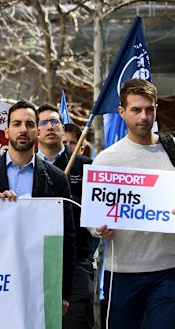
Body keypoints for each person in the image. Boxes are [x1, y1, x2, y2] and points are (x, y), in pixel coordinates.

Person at [0, 101, 76, 316]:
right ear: (6, 131)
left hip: (39, 278)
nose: (23, 130)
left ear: (37, 131)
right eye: (17, 124)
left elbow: (67, 238)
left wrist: (63, 293)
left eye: (30, 124)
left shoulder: (57, 178)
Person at [90, 79, 175, 328]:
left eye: (149, 109)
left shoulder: (172, 152)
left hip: (168, 270)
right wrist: (98, 228)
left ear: (156, 109)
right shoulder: (107, 160)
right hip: (122, 274)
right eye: (136, 110)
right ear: (122, 112)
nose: (144, 116)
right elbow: (94, 216)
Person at [37, 104, 95, 329]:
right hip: (36, 259)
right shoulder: (24, 169)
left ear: (63, 127)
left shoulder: (88, 167)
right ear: (36, 132)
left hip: (77, 258)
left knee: (77, 320)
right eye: (43, 122)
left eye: (55, 121)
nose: (50, 126)